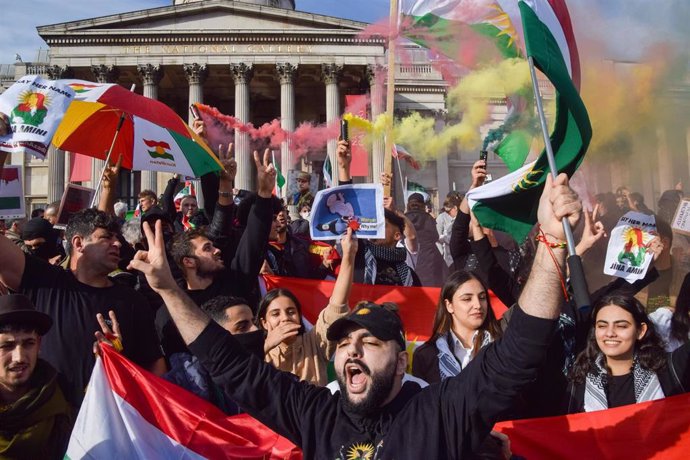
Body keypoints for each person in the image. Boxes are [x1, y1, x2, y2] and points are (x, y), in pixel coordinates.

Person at [126, 171, 579, 459]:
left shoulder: (440, 413)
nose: (351, 352)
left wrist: (552, 245)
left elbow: (520, 349)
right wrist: (167, 289)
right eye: (342, 343)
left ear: (402, 360)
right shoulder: (316, 413)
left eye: (369, 342)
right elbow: (230, 366)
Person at [0, 208, 165, 406]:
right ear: (79, 243)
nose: (117, 243)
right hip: (49, 424)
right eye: (106, 237)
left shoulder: (132, 301)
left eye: (117, 237)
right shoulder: (45, 280)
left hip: (109, 425)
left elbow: (155, 365)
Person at [258, 227, 357, 386]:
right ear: (264, 322)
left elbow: (338, 304)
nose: (285, 318)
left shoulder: (315, 342)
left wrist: (349, 255)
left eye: (291, 311)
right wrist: (267, 346)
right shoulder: (258, 354)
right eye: (275, 314)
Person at [565, 293, 690, 413]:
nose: (610, 333)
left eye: (621, 326)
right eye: (602, 326)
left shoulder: (670, 370)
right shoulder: (579, 380)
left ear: (640, 331)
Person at [164, 295, 264, 414]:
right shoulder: (177, 387)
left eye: (254, 323)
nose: (255, 330)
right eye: (242, 327)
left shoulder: (263, 373)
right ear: (215, 334)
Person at [0, 294, 73, 458]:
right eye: (7, 346)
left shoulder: (63, 411)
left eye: (28, 344)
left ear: (39, 344)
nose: (19, 357)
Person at [412, 271, 503, 384]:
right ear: (449, 305)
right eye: (467, 299)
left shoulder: (502, 346)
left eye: (482, 297)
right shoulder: (426, 355)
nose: (478, 305)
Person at [405, 192, 446, 286]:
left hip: (409, 257)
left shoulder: (404, 219)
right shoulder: (428, 218)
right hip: (428, 258)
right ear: (423, 205)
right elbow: (435, 237)